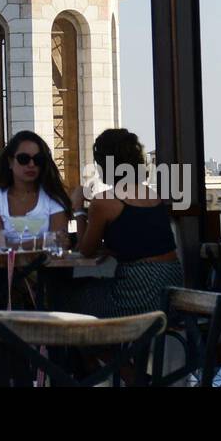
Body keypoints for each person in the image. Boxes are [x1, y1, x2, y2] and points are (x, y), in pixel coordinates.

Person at [69, 128, 183, 318]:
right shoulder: (152, 195)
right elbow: (142, 243)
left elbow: (85, 250)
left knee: (68, 297)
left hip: (139, 288)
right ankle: (117, 347)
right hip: (171, 286)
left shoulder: (104, 201)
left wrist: (78, 207)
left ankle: (94, 347)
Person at [0, 131, 73, 248]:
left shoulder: (53, 198)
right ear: (10, 162)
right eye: (23, 159)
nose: (31, 164)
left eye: (38, 159)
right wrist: (42, 242)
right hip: (7, 266)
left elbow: (59, 244)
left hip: (48, 265)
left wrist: (14, 247)